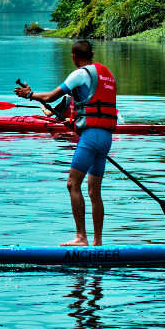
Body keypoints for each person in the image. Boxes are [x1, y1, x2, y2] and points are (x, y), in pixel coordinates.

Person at [15, 40, 118, 247]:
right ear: (92, 54)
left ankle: (81, 237)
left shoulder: (80, 74)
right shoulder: (106, 75)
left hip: (91, 137)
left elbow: (51, 96)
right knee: (94, 192)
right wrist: (76, 121)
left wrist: (30, 95)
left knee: (72, 184)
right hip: (106, 137)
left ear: (74, 56)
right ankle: (97, 242)